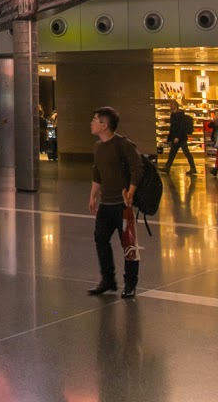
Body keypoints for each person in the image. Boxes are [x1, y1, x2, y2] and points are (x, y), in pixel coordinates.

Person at [86, 106, 144, 299]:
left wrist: (132, 191)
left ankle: (130, 283)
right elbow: (97, 172)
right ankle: (108, 279)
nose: (91, 123)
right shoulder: (97, 147)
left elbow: (137, 168)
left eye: (95, 120)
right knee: (100, 239)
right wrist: (93, 195)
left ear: (105, 125)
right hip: (106, 204)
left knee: (128, 245)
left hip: (123, 205)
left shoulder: (123, 144)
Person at [163, 102, 196, 174]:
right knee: (172, 153)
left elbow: (181, 127)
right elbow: (173, 127)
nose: (170, 106)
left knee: (186, 153)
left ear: (175, 106)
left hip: (181, 138)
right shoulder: (173, 115)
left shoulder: (180, 115)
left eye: (171, 105)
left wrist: (177, 137)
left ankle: (193, 168)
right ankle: (167, 167)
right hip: (176, 137)